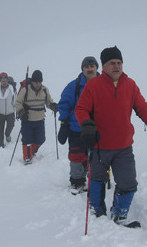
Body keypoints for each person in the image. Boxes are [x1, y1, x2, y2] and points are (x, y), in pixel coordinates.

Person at [75, 46, 147, 228]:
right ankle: (97, 210)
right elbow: (81, 109)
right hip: (99, 145)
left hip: (124, 146)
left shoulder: (130, 85)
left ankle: (119, 214)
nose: (117, 66)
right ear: (104, 66)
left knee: (128, 182)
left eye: (119, 63)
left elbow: (141, 107)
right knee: (96, 180)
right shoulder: (94, 85)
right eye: (112, 63)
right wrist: (86, 125)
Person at [58, 56, 99, 194]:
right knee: (77, 155)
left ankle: (95, 180)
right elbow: (64, 104)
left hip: (97, 129)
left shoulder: (104, 84)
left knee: (95, 156)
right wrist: (64, 124)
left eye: (92, 66)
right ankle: (77, 181)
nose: (89, 69)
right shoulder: (73, 86)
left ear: (96, 68)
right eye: (86, 67)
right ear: (82, 69)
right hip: (77, 128)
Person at [15, 70, 58, 164]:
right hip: (27, 120)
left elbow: (48, 102)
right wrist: (21, 113)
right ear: (32, 81)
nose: (38, 84)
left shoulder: (44, 90)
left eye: (40, 82)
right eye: (36, 82)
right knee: (27, 139)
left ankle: (32, 151)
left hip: (40, 120)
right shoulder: (25, 90)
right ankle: (27, 157)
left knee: (41, 139)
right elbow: (17, 102)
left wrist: (53, 106)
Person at [0, 72, 16, 148]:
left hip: (10, 112)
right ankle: (0, 143)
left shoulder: (12, 89)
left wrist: (17, 110)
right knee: (0, 130)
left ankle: (7, 135)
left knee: (10, 126)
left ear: (7, 80)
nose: (4, 82)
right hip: (0, 113)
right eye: (2, 81)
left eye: (5, 81)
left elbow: (16, 100)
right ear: (0, 81)